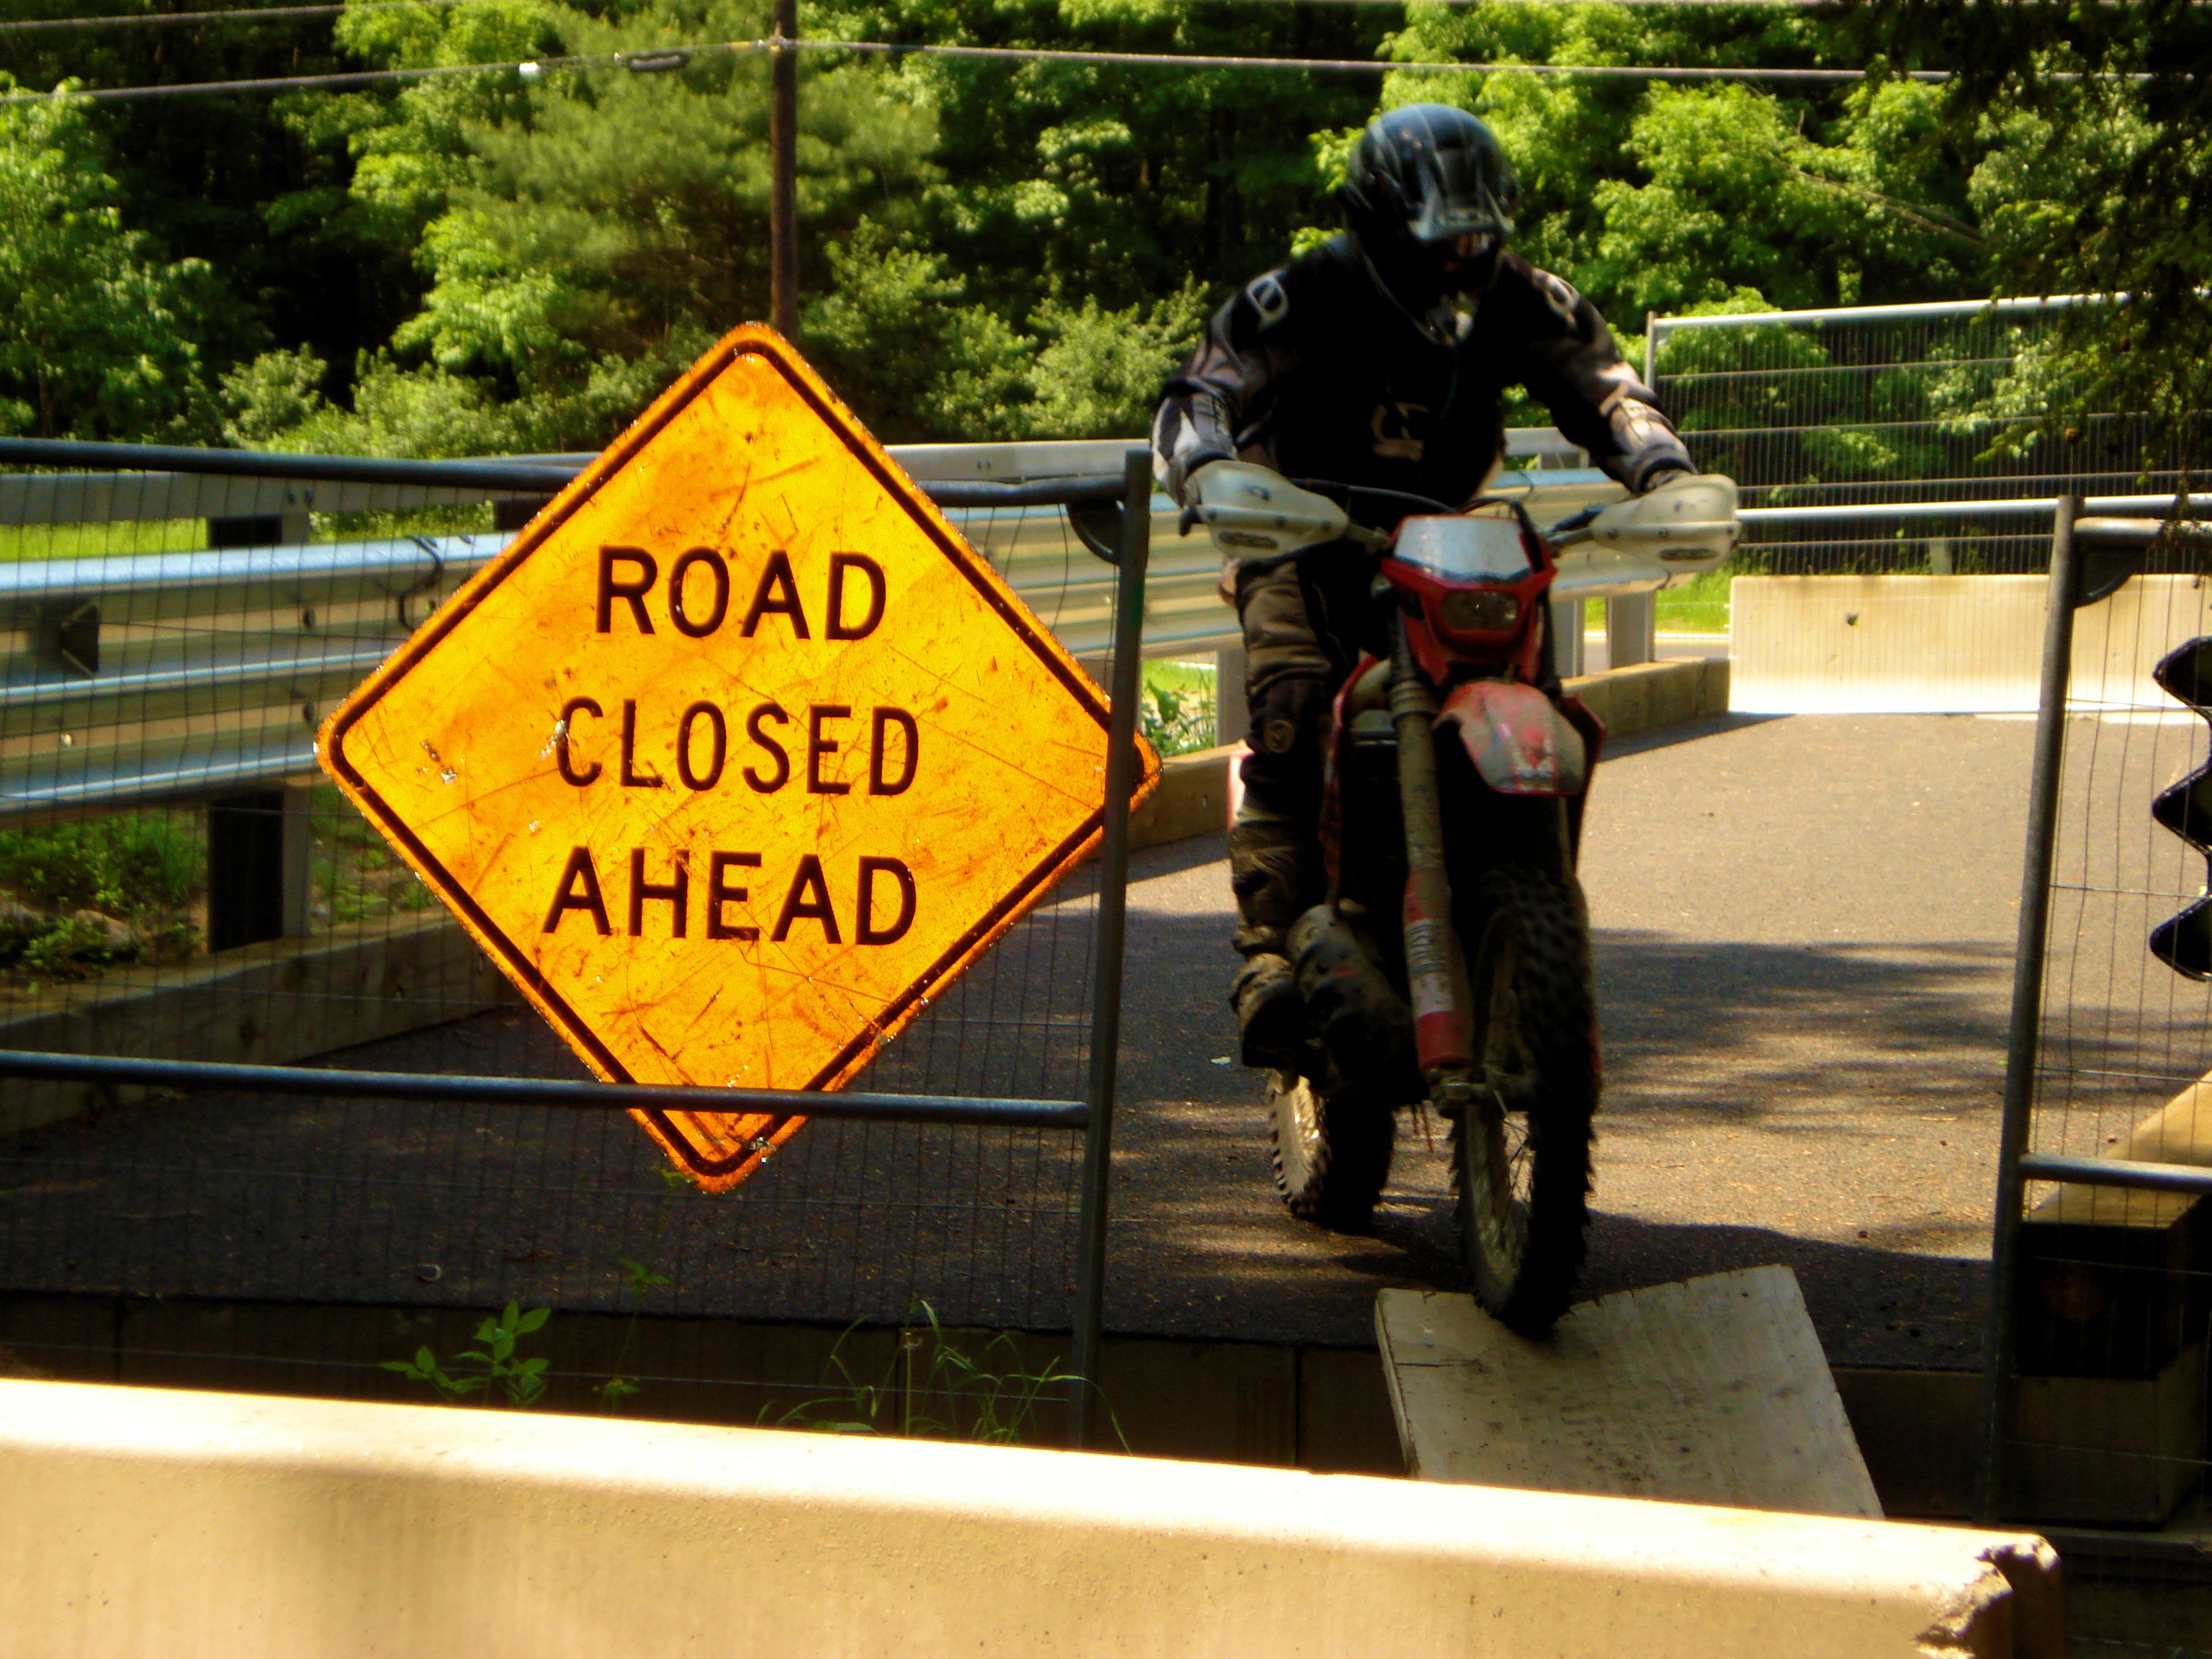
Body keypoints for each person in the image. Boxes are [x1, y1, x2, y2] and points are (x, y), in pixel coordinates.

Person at [1151, 102, 1701, 1068]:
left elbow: (1608, 390)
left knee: (1537, 692)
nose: (1457, 262)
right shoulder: (1302, 293)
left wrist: (1665, 474)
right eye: (1439, 239)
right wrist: (1205, 470)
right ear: (1374, 219)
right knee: (1289, 697)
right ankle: (1269, 956)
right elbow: (1200, 393)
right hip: (1299, 528)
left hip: (1440, 537)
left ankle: (1519, 896)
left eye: (1476, 238)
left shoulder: (1526, 297)